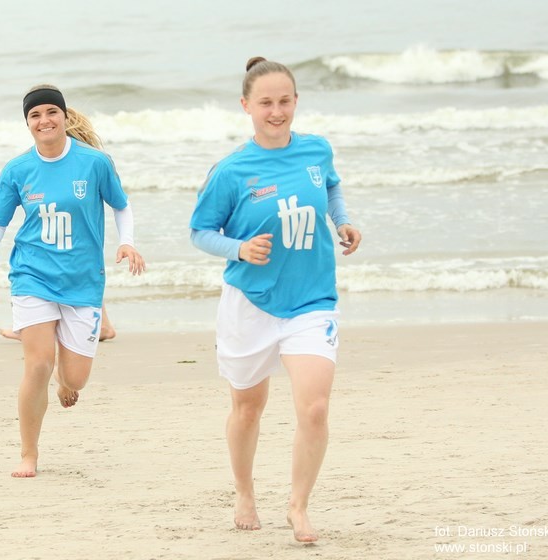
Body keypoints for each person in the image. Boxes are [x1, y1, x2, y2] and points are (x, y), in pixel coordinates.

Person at [189, 57, 362, 543]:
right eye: (266, 102)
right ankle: (244, 491)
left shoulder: (316, 151)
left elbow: (329, 186)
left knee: (314, 409)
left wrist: (341, 220)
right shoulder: (230, 170)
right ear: (246, 106)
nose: (276, 111)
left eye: (285, 101)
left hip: (311, 299)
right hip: (251, 302)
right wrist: (238, 248)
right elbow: (200, 232)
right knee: (248, 408)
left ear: (296, 102)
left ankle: (298, 506)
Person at [0, 85, 145, 478]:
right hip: (33, 275)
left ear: (64, 116)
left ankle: (65, 371)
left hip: (83, 281)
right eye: (35, 115)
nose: (44, 120)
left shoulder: (95, 163)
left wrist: (127, 243)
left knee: (74, 378)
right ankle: (29, 453)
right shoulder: (17, 169)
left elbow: (122, 206)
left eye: (51, 112)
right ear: (27, 123)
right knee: (38, 364)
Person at [0, 108, 117, 342]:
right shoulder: (78, 148)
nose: (44, 121)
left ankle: (29, 327)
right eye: (35, 115)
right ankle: (102, 325)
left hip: (70, 226)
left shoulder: (83, 156)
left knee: (69, 261)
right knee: (74, 263)